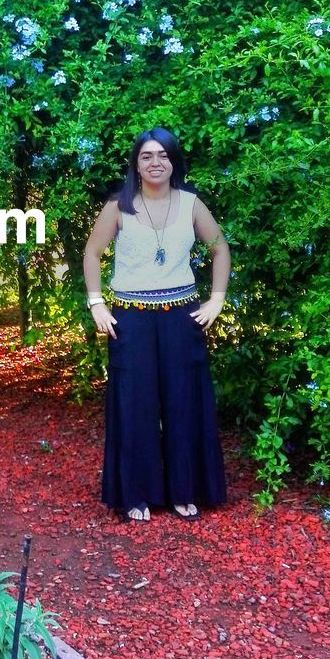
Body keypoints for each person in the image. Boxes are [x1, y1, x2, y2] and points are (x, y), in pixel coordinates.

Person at [83, 127, 230, 522]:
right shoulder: (119, 205)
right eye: (147, 156)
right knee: (136, 405)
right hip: (129, 319)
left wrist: (216, 299)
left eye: (163, 155)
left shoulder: (190, 204)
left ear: (173, 161)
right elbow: (93, 253)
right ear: (136, 163)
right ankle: (137, 494)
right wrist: (97, 303)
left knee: (183, 403)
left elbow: (220, 248)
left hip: (180, 317)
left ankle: (184, 490)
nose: (155, 162)